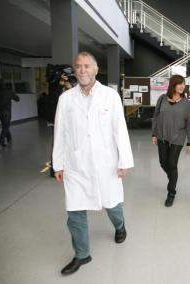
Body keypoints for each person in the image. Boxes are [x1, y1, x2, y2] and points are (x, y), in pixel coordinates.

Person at [52, 51, 134, 275]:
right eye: (78, 66)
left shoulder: (110, 96)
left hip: (106, 163)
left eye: (87, 66)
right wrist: (57, 164)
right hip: (76, 165)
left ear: (96, 70)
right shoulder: (66, 99)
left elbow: (120, 130)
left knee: (112, 204)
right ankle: (82, 254)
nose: (82, 70)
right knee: (75, 211)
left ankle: (120, 225)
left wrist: (124, 160)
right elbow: (60, 133)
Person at [152, 75, 190, 207]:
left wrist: (189, 141)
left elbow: (189, 122)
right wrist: (154, 133)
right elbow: (156, 116)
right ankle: (172, 179)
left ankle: (171, 192)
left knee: (172, 163)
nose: (182, 86)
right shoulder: (162, 99)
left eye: (184, 84)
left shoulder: (186, 103)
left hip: (178, 137)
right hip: (162, 135)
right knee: (163, 162)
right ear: (173, 85)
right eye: (180, 84)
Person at [0, 79, 20, 147]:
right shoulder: (9, 92)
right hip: (7, 111)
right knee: (6, 126)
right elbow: (17, 99)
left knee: (4, 125)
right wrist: (13, 93)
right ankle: (1, 140)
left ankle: (9, 138)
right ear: (4, 84)